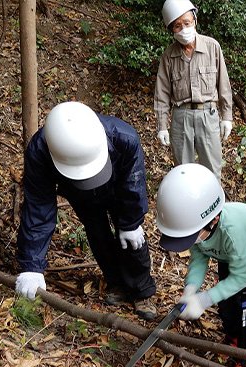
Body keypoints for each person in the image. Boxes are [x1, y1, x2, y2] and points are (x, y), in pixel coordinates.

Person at [15, 101, 158, 320]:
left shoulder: (124, 138)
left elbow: (133, 183)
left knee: (129, 237)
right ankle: (116, 283)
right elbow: (38, 209)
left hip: (118, 186)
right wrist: (31, 266)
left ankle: (141, 290)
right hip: (77, 192)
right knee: (97, 232)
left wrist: (131, 221)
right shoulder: (39, 151)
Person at [155, 163, 246, 367]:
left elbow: (241, 278)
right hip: (225, 252)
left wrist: (204, 299)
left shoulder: (233, 232)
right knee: (226, 302)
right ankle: (232, 336)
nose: (190, 241)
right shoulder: (198, 228)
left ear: (213, 220)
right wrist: (191, 290)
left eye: (189, 236)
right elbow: (199, 257)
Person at [154, 0, 233, 180]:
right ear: (171, 30)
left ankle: (215, 206)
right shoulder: (169, 55)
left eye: (187, 23)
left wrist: (227, 117)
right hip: (180, 118)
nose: (183, 29)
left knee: (212, 170)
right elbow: (162, 93)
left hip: (208, 115)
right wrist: (162, 126)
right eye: (177, 26)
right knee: (183, 173)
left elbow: (224, 85)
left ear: (195, 20)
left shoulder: (212, 47)